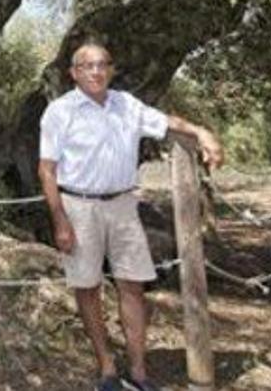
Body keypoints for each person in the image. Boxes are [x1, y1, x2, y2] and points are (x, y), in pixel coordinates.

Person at [38, 42, 223, 391]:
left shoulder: (127, 105)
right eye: (87, 65)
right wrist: (60, 220)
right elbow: (47, 170)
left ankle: (138, 374)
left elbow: (168, 121)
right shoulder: (59, 112)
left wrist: (202, 132)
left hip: (123, 205)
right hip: (79, 207)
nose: (96, 71)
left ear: (110, 69)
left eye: (102, 64)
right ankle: (107, 369)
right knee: (87, 287)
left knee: (133, 286)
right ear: (74, 73)